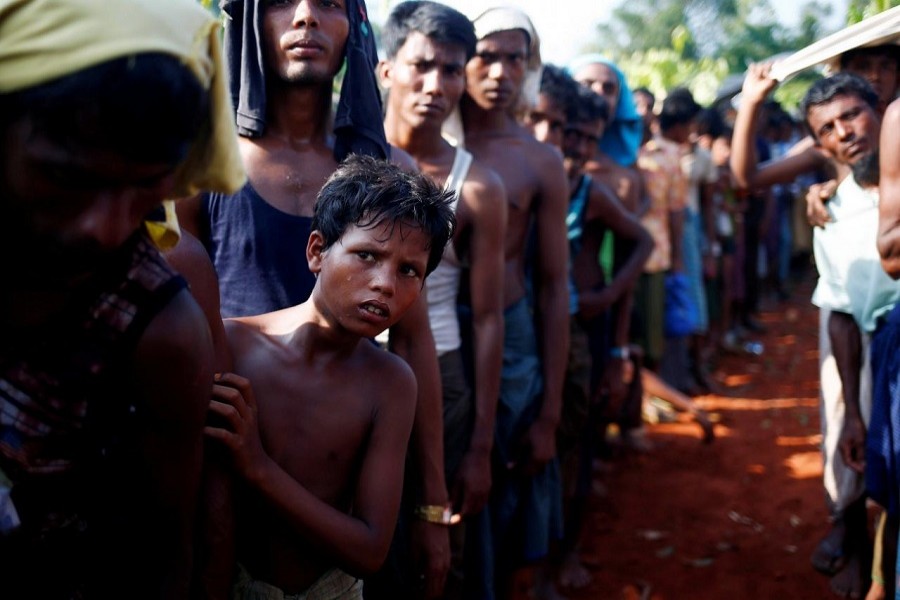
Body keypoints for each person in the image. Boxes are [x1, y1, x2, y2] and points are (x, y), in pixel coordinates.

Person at [176, 0, 454, 589]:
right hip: (225, 443)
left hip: (338, 465)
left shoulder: (391, 176)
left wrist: (432, 506)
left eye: (329, 2)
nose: (306, 16)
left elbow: (415, 342)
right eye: (282, 1)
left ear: (354, 25)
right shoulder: (201, 158)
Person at [0, 0, 245, 596]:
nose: (105, 228)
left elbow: (164, 553)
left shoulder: (154, 331)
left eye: (145, 186)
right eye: (67, 176)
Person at [205, 155, 456, 600]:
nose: (384, 283)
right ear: (317, 251)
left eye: (409, 271)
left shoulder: (391, 384)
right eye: (367, 255)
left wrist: (258, 467)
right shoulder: (232, 346)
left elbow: (371, 549)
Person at [738, 66, 900, 600]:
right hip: (879, 347)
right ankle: (862, 551)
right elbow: (841, 312)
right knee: (873, 461)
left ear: (883, 109)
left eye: (853, 114)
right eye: (828, 128)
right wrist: (853, 409)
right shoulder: (832, 209)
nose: (845, 132)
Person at [368, 3, 507, 598]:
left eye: (453, 70)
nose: (436, 85)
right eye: (421, 65)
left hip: (439, 380)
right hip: (346, 372)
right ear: (385, 69)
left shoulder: (477, 187)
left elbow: (491, 317)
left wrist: (480, 442)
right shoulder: (341, 161)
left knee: (432, 545)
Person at [456, 7, 570, 599]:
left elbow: (554, 288)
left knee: (511, 479)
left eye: (514, 57)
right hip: (434, 335)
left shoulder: (538, 160)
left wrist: (550, 409)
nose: (500, 71)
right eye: (485, 54)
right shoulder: (416, 143)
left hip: (514, 340)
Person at [528, 70, 654, 595]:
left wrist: (609, 296)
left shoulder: (592, 192)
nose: (574, 145)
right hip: (531, 327)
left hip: (582, 327)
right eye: (567, 133)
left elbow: (642, 242)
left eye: (585, 136)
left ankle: (565, 553)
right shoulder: (531, 178)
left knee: (573, 446)